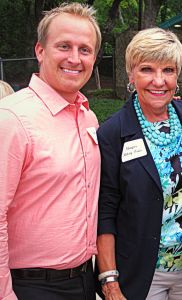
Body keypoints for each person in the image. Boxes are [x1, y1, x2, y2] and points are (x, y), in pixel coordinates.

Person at [0, 3, 101, 299]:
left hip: (84, 280)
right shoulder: (12, 119)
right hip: (30, 287)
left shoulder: (88, 117)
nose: (75, 58)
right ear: (40, 50)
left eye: (85, 49)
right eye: (64, 46)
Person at [96, 28, 182, 300]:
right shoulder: (113, 133)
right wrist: (109, 280)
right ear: (131, 74)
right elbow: (105, 210)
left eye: (168, 70)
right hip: (142, 272)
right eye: (147, 69)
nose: (159, 81)